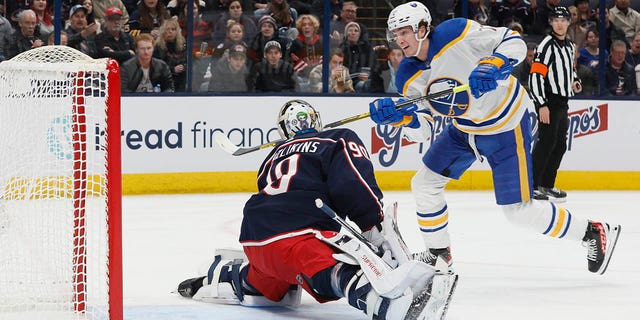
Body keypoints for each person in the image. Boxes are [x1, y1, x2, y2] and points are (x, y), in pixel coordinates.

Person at [368, 2, 621, 275]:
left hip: (506, 125)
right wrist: (400, 118)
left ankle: (591, 232)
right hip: (464, 130)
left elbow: (513, 41)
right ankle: (440, 254)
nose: (399, 40)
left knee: (519, 211)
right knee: (424, 183)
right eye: (395, 34)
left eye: (404, 31)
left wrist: (495, 63)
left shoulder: (455, 32)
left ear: (422, 28)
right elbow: (423, 129)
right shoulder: (407, 74)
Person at [176, 99, 453, 320]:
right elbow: (353, 185)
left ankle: (222, 275)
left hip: (255, 238)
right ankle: (382, 303)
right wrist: (373, 227)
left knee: (264, 286)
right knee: (334, 272)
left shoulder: (271, 158)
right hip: (298, 236)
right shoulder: (336, 139)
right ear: (316, 122)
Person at [529, 6, 581, 202]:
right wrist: (541, 103)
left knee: (559, 145)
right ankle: (532, 186)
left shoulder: (570, 46)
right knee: (546, 143)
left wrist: (575, 81)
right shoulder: (546, 45)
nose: (560, 23)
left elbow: (571, 69)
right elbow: (536, 76)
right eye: (556, 20)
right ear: (551, 22)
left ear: (569, 22)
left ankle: (547, 184)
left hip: (562, 101)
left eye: (563, 20)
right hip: (548, 100)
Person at [154, 17, 188, 92]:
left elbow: (188, 61)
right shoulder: (158, 46)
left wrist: (184, 67)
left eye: (173, 29)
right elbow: (156, 67)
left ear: (177, 32)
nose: (170, 32)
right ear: (163, 31)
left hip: (181, 80)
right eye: (167, 29)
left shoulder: (183, 45)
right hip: (164, 81)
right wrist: (173, 70)